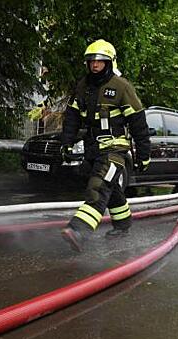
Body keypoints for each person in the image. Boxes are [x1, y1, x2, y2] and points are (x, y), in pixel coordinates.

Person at [59, 39, 151, 252]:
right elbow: (72, 116)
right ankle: (123, 224)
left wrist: (143, 155)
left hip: (114, 150)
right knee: (111, 188)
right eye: (91, 61)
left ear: (109, 63)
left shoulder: (121, 87)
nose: (95, 65)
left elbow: (138, 123)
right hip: (92, 148)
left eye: (100, 61)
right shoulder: (83, 86)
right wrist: (67, 142)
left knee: (99, 186)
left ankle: (78, 231)